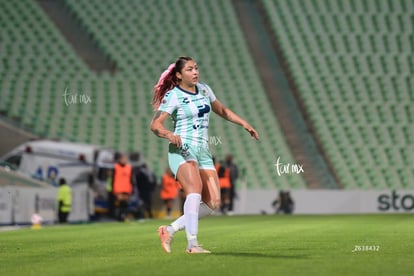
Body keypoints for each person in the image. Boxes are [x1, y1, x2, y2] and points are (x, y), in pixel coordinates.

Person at [150, 56, 259, 254]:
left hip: (203, 151)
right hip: (183, 148)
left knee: (213, 203)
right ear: (179, 75)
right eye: (190, 69)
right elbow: (155, 125)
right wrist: (169, 135)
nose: (195, 72)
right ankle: (192, 245)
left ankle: (169, 230)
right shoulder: (173, 95)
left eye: (196, 68)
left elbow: (223, 110)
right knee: (194, 190)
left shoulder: (204, 89)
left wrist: (245, 124)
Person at [112, 154, 133, 221]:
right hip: (118, 188)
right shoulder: (116, 167)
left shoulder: (129, 167)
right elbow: (112, 178)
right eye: (123, 159)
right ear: (120, 159)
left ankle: (124, 216)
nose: (124, 160)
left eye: (125, 159)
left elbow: (131, 179)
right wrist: (112, 188)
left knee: (126, 203)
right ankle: (119, 217)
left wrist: (131, 188)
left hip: (126, 188)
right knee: (120, 202)